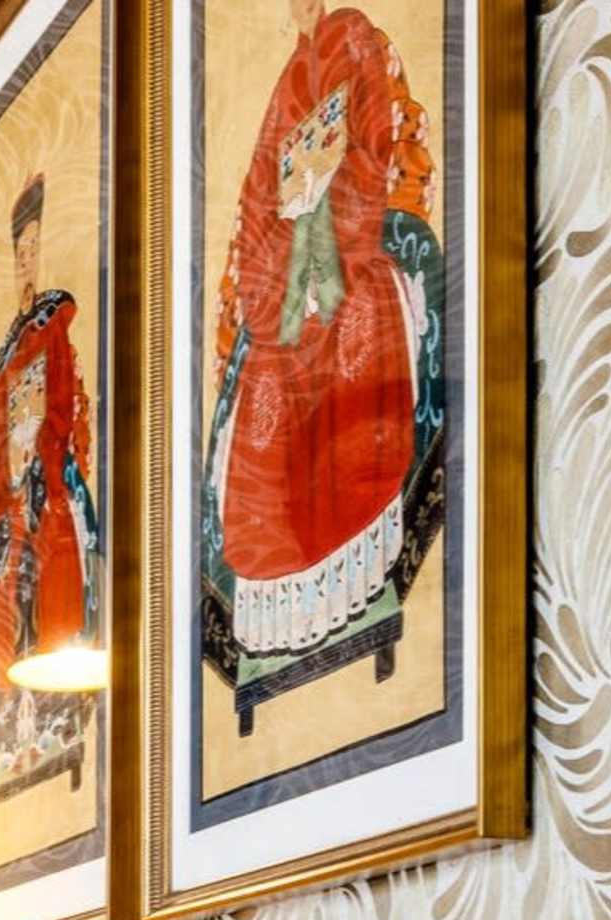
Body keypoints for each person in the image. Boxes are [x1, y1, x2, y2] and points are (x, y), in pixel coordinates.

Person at [202, 0, 444, 664]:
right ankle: (284, 605)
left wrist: (329, 215)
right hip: (287, 284)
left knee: (359, 334)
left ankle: (365, 572)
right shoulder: (284, 85)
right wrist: (280, 262)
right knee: (263, 393)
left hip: (350, 256)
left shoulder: (359, 42)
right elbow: (257, 203)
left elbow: (379, 142)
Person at [0, 173, 102, 715]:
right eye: (18, 253)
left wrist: (44, 463)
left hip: (45, 474)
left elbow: (66, 404)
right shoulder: (5, 352)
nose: (27, 262)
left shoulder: (52, 322)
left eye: (32, 250)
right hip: (12, 492)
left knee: (60, 562)